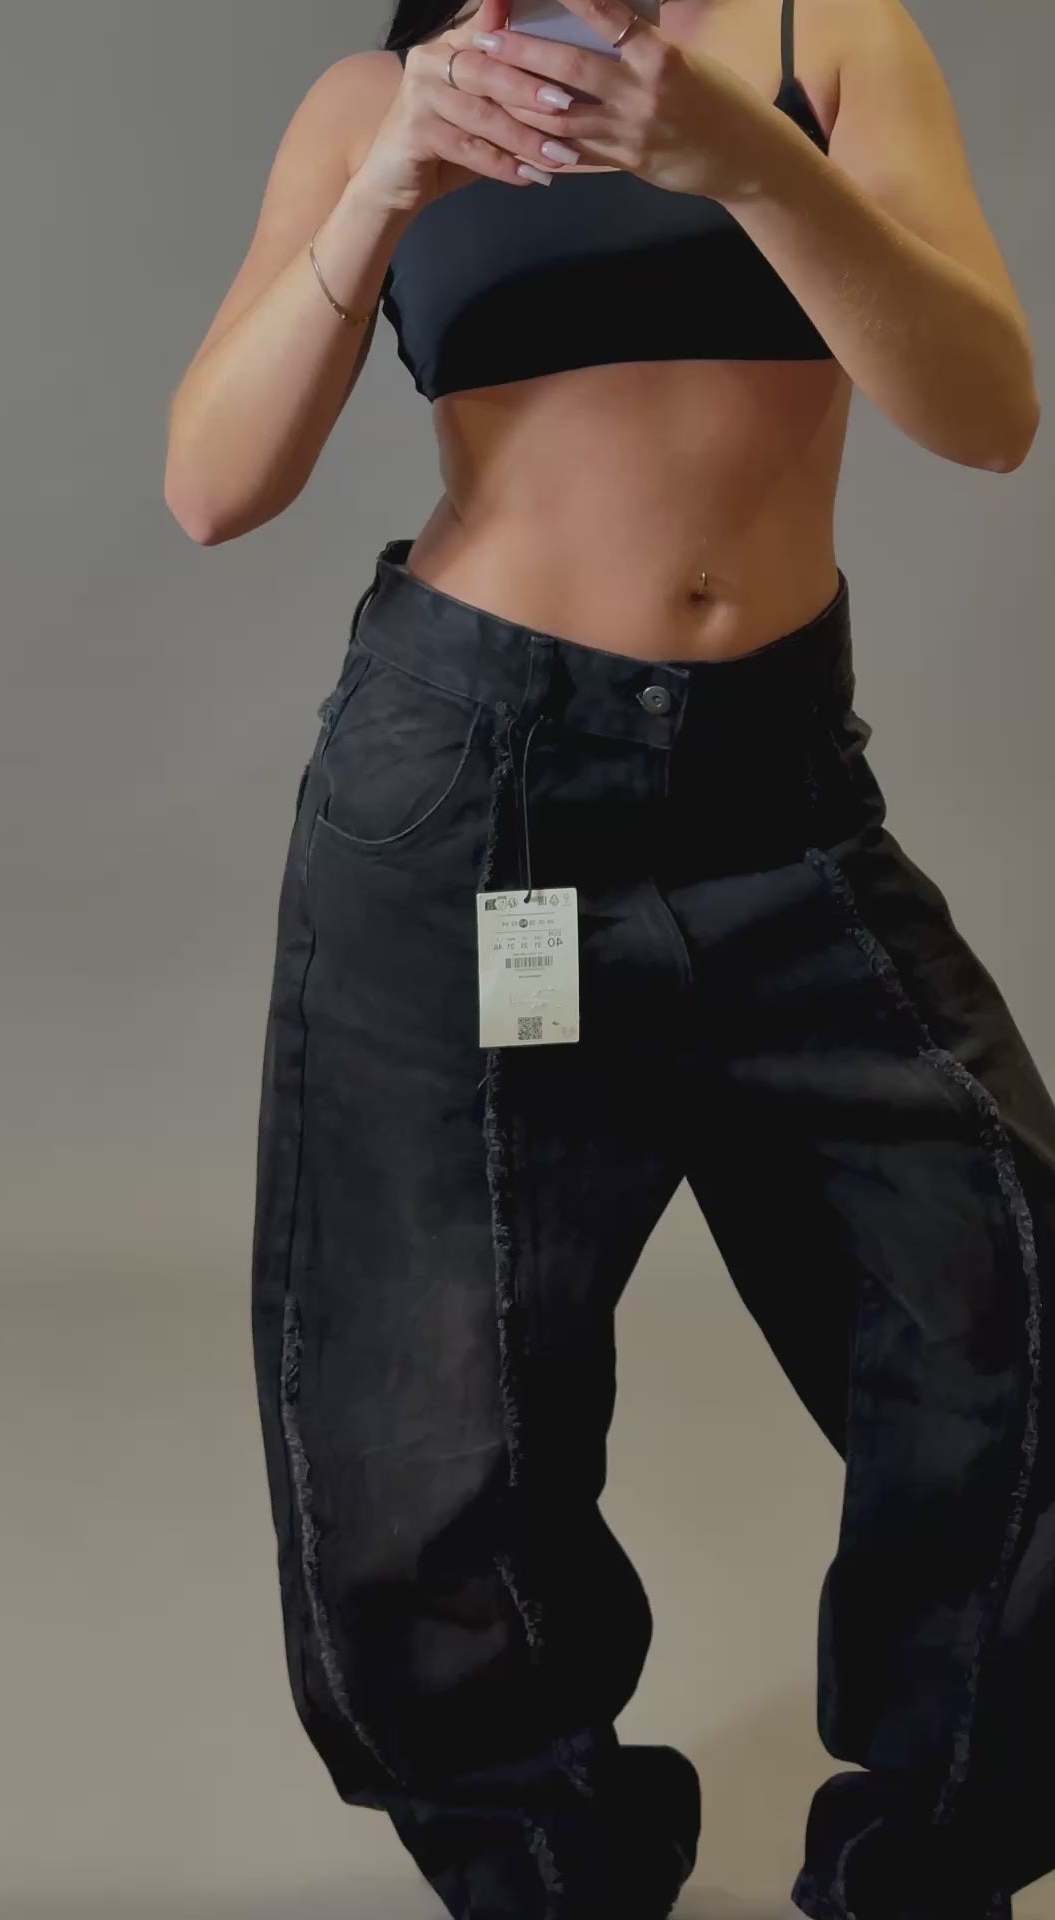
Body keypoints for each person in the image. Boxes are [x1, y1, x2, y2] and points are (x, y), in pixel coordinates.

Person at [163, 3, 1052, 1917]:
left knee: (1013, 1316)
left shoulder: (830, 37)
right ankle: (549, 1878)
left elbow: (988, 412)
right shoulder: (376, 99)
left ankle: (925, 1872)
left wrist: (748, 161)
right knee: (428, 1423)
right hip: (472, 790)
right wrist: (390, 180)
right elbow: (213, 485)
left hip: (777, 796)